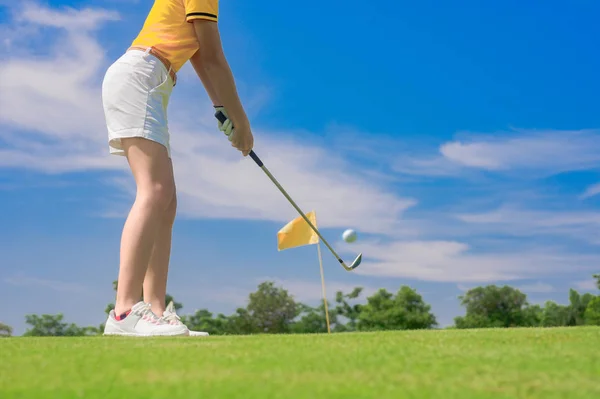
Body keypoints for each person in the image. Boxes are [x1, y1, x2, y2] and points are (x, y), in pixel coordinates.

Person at [101, 0, 253, 336]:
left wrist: (222, 109)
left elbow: (200, 56)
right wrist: (241, 121)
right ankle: (125, 312)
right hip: (142, 77)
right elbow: (213, 59)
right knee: (154, 191)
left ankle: (156, 310)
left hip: (150, 82)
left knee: (167, 201)